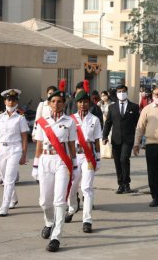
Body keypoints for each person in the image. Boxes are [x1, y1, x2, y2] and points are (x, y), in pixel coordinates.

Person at [32, 86, 77, 252]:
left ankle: (56, 236)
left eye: (59, 102)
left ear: (64, 104)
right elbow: (38, 144)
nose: (56, 104)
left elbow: (71, 145)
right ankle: (49, 222)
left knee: (59, 200)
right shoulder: (42, 122)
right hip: (45, 159)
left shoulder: (69, 122)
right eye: (53, 101)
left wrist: (75, 165)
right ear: (49, 104)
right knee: (44, 200)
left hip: (62, 162)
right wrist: (35, 165)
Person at [65, 91, 102, 233]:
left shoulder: (94, 119)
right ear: (76, 103)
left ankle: (87, 220)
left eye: (85, 101)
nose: (83, 104)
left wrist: (97, 158)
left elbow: (97, 140)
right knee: (72, 188)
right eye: (80, 102)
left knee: (86, 188)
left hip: (88, 157)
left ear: (89, 103)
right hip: (74, 156)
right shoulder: (70, 120)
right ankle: (72, 208)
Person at [132, 86, 158, 208]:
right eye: (157, 94)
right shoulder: (146, 109)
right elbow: (140, 128)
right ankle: (155, 197)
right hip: (151, 145)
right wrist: (136, 144)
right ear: (152, 95)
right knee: (152, 172)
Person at [0, 89, 29, 217]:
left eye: (14, 100)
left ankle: (4, 206)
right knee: (4, 175)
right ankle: (13, 198)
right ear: (5, 101)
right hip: (0, 149)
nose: (11, 102)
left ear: (17, 101)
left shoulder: (20, 117)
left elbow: (24, 137)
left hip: (15, 149)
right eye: (9, 99)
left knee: (10, 177)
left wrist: (24, 154)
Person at [102, 85, 140, 194]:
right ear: (116, 93)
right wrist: (104, 136)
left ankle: (126, 183)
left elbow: (139, 124)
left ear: (127, 92)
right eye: (119, 91)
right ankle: (120, 184)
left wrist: (139, 139)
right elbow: (108, 123)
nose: (121, 93)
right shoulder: (112, 107)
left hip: (128, 139)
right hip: (116, 139)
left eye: (123, 91)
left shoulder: (134, 107)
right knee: (117, 162)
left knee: (124, 159)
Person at [97, 90, 114, 159]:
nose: (103, 97)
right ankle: (104, 153)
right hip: (102, 122)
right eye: (102, 96)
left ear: (108, 95)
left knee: (110, 136)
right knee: (102, 137)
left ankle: (110, 153)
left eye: (104, 95)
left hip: (110, 122)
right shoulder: (100, 104)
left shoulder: (112, 104)